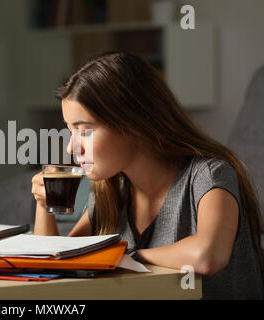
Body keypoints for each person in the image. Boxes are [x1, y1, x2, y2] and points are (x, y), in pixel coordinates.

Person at [31, 51, 264, 299]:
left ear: (132, 123)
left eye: (85, 131)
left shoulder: (209, 175)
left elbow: (208, 256)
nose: (71, 147)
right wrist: (43, 205)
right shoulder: (111, 192)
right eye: (70, 131)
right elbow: (59, 263)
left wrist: (127, 255)